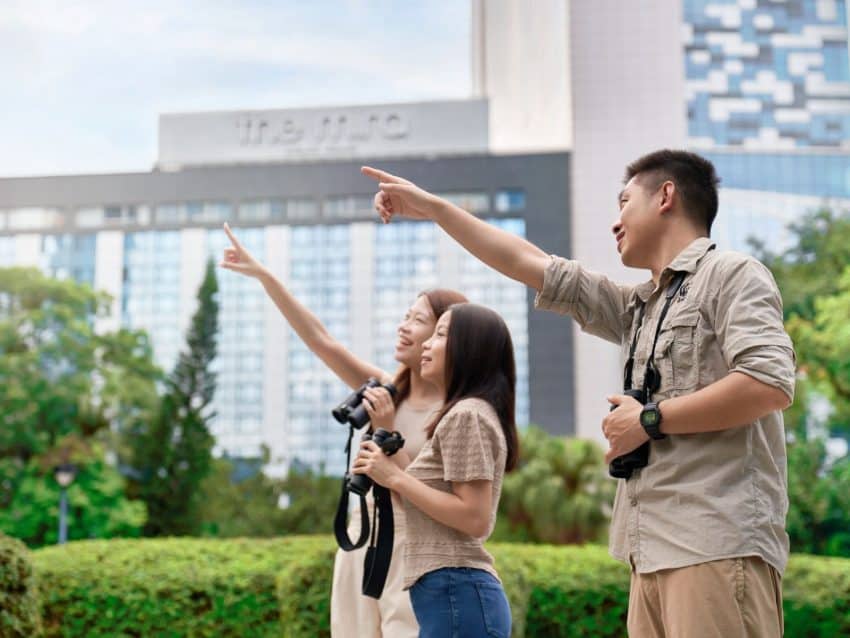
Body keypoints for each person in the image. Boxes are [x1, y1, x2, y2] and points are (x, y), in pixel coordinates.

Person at [361, 150, 796, 637]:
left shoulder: (733, 274)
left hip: (716, 543)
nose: (615, 223)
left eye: (624, 202)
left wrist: (650, 420)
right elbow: (528, 262)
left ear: (666, 196)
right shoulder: (638, 307)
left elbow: (769, 383)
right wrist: (435, 209)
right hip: (647, 554)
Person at [218, 222, 467, 638]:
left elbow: (445, 503)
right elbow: (322, 341)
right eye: (405, 317)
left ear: (444, 335)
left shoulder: (457, 413)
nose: (403, 326)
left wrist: (386, 432)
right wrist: (264, 275)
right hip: (360, 536)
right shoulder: (386, 388)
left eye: (418, 320)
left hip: (416, 546)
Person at [354, 302, 519, 638]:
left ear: (467, 350)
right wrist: (388, 452)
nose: (427, 343)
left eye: (440, 335)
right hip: (447, 593)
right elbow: (419, 505)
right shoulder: (462, 413)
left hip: (457, 591)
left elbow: (474, 517)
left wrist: (394, 477)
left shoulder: (467, 415)